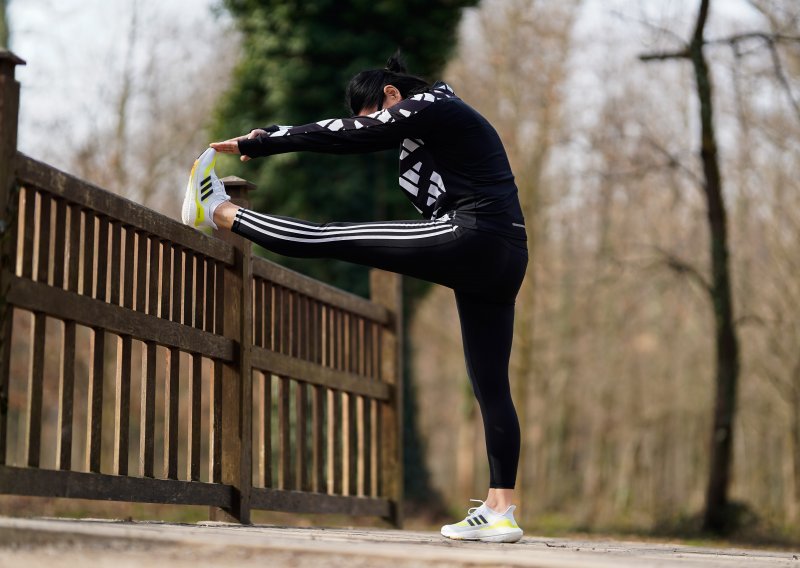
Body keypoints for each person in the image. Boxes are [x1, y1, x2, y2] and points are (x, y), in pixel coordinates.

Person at [182, 53, 528, 543]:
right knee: (491, 386)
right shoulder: (449, 119)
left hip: (472, 234)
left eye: (373, 114)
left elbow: (352, 133)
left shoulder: (429, 103)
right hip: (507, 253)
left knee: (325, 237)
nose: (374, 127)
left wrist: (266, 141)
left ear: (390, 96)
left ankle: (217, 211)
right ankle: (501, 509)